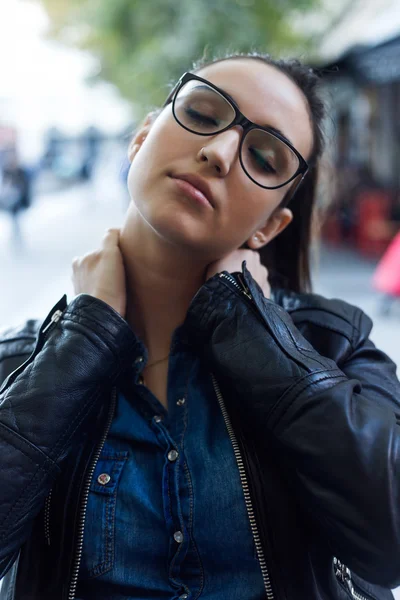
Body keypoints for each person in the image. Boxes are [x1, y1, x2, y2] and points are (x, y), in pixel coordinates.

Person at [0, 53, 399, 600]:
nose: (217, 151)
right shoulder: (21, 360)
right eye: (203, 115)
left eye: (264, 155)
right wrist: (84, 339)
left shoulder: (334, 343)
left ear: (270, 226)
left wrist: (250, 330)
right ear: (141, 139)